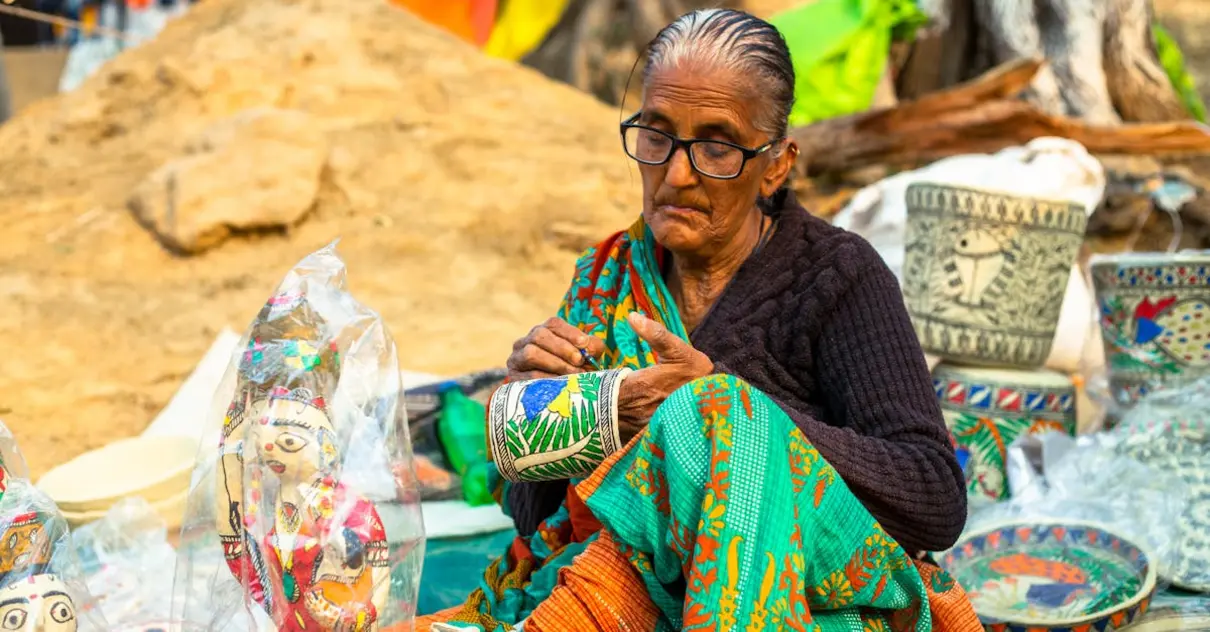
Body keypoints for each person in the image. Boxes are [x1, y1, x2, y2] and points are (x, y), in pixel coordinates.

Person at [414, 9, 978, 632]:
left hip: (801, 603)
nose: (676, 175)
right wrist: (538, 411)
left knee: (718, 414)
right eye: (656, 136)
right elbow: (534, 517)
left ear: (777, 164)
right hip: (611, 589)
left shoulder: (835, 276)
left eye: (716, 146)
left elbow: (933, 497)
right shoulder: (608, 277)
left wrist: (718, 411)